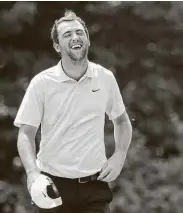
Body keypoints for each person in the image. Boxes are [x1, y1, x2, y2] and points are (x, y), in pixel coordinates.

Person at [14, 10, 132, 213]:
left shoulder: (105, 78)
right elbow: (26, 134)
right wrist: (33, 173)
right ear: (57, 46)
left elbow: (121, 121)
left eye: (80, 32)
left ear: (87, 40)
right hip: (52, 187)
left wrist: (119, 155)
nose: (75, 37)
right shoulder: (41, 83)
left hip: (95, 187)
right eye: (67, 34)